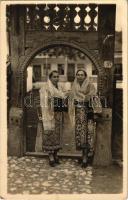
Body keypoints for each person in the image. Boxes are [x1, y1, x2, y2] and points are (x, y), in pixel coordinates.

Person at [68, 69, 99, 168]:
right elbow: (71, 98)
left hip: (88, 112)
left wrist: (94, 111)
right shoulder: (74, 86)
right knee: (80, 134)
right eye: (78, 74)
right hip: (78, 113)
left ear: (85, 76)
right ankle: (83, 156)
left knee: (87, 134)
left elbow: (94, 97)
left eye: (82, 75)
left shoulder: (90, 85)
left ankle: (86, 157)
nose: (80, 76)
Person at [38, 70, 67, 167]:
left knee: (57, 134)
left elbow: (63, 96)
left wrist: (62, 97)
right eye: (54, 77)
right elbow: (44, 101)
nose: (56, 78)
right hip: (48, 114)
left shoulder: (59, 87)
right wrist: (54, 99)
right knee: (49, 133)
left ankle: (56, 154)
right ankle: (50, 156)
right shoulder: (45, 88)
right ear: (50, 78)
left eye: (57, 76)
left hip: (58, 113)